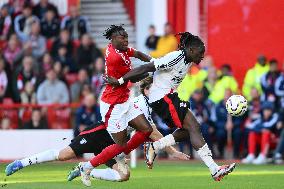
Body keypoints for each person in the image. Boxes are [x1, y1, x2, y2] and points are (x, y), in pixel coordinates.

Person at [104, 32, 236, 181]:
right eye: (200, 53)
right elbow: (147, 67)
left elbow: (156, 64)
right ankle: (214, 169)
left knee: (188, 131)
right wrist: (120, 81)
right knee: (194, 127)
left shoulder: (187, 60)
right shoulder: (176, 57)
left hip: (168, 98)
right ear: (191, 50)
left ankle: (155, 146)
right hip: (163, 98)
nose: (202, 57)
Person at [5, 77, 188, 182]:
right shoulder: (139, 103)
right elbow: (152, 131)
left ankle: (86, 169)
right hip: (101, 132)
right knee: (63, 155)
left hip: (115, 145)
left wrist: (171, 150)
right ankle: (21, 163)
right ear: (146, 91)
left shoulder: (149, 108)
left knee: (124, 175)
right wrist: (172, 151)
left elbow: (151, 131)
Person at [77, 25, 157, 187]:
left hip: (125, 100)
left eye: (126, 37)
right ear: (113, 39)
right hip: (112, 106)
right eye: (122, 37)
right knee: (119, 145)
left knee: (146, 130)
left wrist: (153, 61)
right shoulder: (115, 57)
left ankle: (121, 154)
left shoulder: (119, 48)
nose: (126, 40)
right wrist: (152, 70)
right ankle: (87, 167)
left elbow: (138, 54)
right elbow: (134, 78)